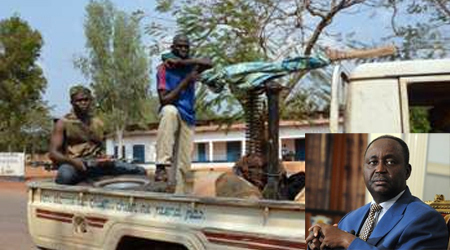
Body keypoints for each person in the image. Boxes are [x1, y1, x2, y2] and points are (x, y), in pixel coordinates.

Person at [306, 135, 448, 250]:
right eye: (373, 162)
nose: (380, 169)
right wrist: (319, 244)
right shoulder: (350, 218)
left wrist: (347, 240)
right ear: (363, 170)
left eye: (390, 162)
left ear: (407, 171)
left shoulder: (426, 219)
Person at [49, 85, 147, 185]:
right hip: (75, 164)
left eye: (86, 100)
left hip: (97, 164)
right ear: (72, 102)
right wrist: (73, 162)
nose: (83, 103)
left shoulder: (98, 123)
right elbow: (53, 153)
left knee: (139, 171)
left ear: (90, 101)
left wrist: (105, 159)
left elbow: (100, 148)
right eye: (79, 100)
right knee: (65, 176)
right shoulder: (63, 123)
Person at [154, 34, 212, 193]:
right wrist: (187, 80)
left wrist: (182, 62)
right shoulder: (164, 68)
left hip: (188, 115)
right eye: (179, 46)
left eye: (186, 46)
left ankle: (182, 198)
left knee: (184, 164)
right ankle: (161, 164)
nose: (183, 49)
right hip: (172, 111)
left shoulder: (190, 65)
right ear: (172, 47)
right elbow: (165, 100)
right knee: (169, 111)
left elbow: (208, 62)